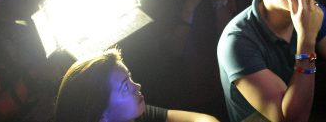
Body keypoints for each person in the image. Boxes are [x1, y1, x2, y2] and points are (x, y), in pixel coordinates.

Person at [53, 48, 219, 122]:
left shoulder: (135, 116)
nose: (137, 86)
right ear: (100, 115)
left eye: (130, 77)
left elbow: (200, 118)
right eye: (125, 87)